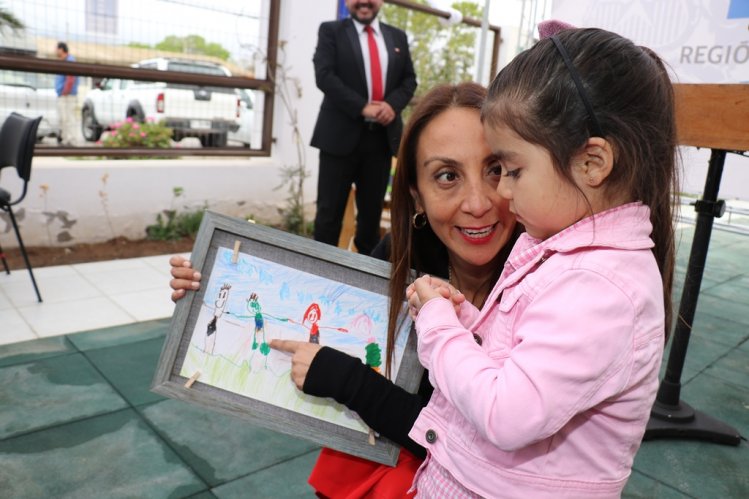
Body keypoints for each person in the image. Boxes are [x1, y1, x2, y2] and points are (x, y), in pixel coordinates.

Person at [169, 82, 521, 497]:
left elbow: (489, 444)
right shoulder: (398, 256)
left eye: (495, 169)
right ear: (416, 195)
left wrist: (351, 383)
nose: (478, 202)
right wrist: (209, 285)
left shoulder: (554, 281)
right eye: (447, 176)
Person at [405, 27, 678, 498]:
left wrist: (437, 327)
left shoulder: (599, 286)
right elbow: (522, 357)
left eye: (511, 170)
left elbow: (508, 414)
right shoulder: (572, 257)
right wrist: (463, 318)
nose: (502, 193)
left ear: (592, 163)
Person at [310, 0, 417, 256]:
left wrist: (392, 105)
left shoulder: (397, 36)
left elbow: (409, 79)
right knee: (328, 218)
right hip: (338, 139)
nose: (364, 2)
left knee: (370, 224)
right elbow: (324, 75)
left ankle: (364, 286)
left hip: (380, 141)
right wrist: (362, 107)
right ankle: (315, 280)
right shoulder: (331, 31)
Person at [55, 42, 79, 146]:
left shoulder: (70, 60)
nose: (55, 51)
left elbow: (70, 78)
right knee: (64, 118)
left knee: (69, 118)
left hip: (67, 95)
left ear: (61, 49)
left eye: (56, 49)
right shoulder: (64, 60)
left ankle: (71, 140)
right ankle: (65, 139)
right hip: (63, 94)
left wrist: (65, 91)